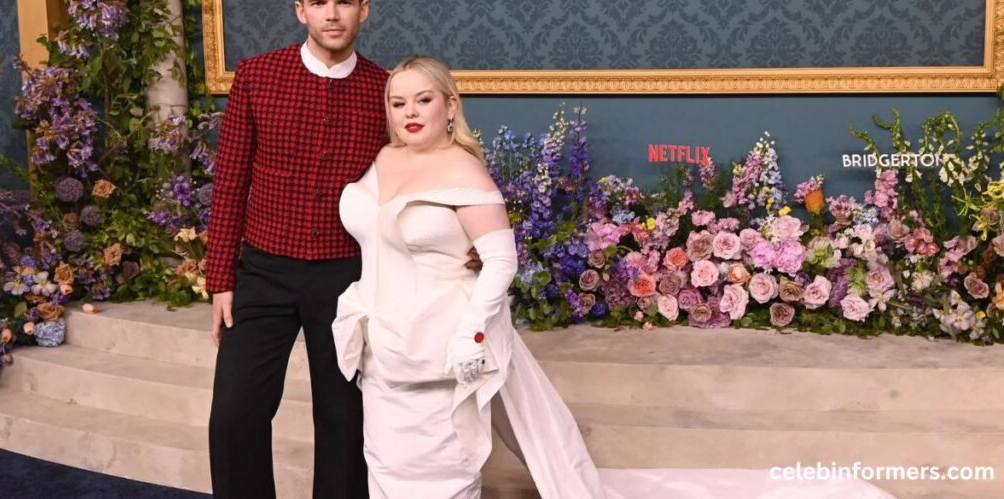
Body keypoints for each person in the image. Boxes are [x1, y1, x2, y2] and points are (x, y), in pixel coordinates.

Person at [333, 56, 898, 499]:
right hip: (384, 350)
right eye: (398, 101)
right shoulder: (383, 161)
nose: (410, 112)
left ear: (450, 105)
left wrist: (471, 335)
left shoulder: (463, 168)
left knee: (439, 469)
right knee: (386, 466)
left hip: (442, 348)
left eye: (424, 99)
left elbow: (500, 261)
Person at [204, 0, 385, 498]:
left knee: (345, 421)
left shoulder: (384, 88)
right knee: (235, 414)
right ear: (300, 9)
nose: (333, 14)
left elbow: (413, 184)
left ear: (364, 10)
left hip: (348, 278)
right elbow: (231, 180)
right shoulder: (257, 77)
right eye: (320, 2)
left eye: (344, 2)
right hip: (263, 272)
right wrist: (221, 280)